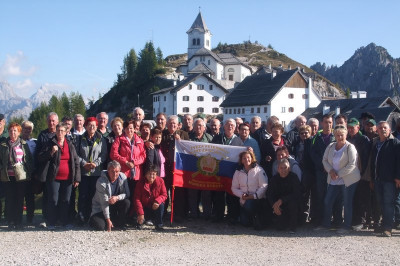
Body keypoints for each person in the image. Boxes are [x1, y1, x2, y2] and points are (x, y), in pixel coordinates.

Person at [318, 125, 360, 234]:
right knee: (328, 201)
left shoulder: (350, 147)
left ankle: (346, 226)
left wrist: (339, 174)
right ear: (335, 136)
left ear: (346, 135)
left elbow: (352, 164)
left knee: (347, 202)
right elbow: (324, 160)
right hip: (333, 179)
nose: (340, 137)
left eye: (342, 135)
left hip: (348, 179)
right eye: (337, 135)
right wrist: (331, 171)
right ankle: (326, 224)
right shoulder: (331, 146)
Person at [39, 123, 80, 230]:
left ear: (66, 132)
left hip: (68, 178)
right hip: (53, 177)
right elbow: (41, 158)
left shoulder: (70, 144)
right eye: (58, 131)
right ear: (55, 131)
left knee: (66, 200)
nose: (60, 133)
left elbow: (76, 162)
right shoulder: (50, 143)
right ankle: (52, 222)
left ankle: (65, 222)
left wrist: (77, 178)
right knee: (53, 200)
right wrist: (51, 152)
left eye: (62, 131)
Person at [0, 122, 34, 230]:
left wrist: (29, 172)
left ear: (19, 132)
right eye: (10, 130)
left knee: (19, 199)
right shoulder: (3, 145)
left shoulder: (23, 144)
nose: (12, 132)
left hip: (21, 176)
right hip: (8, 176)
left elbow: (28, 160)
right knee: (10, 199)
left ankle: (18, 221)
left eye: (15, 130)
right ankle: (10, 221)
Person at [76, 117, 108, 224]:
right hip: (84, 173)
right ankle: (81, 217)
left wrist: (95, 163)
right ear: (85, 126)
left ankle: (91, 217)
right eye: (89, 125)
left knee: (93, 196)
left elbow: (103, 155)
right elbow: (76, 155)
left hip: (96, 173)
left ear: (97, 126)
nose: (92, 127)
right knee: (83, 196)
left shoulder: (101, 139)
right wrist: (84, 164)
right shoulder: (80, 139)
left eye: (94, 125)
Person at [370, 121, 400, 237]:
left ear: (390, 130)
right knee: (381, 203)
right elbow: (373, 163)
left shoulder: (395, 143)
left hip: (390, 180)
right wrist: (372, 178)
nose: (383, 130)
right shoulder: (376, 143)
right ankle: (385, 225)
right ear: (377, 130)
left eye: (385, 128)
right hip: (378, 179)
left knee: (389, 203)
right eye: (380, 128)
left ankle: (388, 228)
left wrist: (398, 177)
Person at [309, 114, 339, 227]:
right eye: (326, 122)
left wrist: (331, 167)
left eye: (330, 122)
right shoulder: (317, 137)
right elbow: (313, 154)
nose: (328, 124)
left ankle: (335, 220)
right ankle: (321, 219)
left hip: (334, 172)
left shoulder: (335, 137)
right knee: (320, 196)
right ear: (322, 123)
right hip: (321, 172)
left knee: (334, 196)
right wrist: (323, 166)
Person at [211, 119, 244, 223]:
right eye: (228, 125)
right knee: (218, 194)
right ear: (224, 126)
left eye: (232, 125)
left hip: (232, 172)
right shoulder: (217, 138)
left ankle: (232, 215)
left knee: (232, 194)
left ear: (235, 128)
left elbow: (242, 156)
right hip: (219, 171)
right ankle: (218, 215)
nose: (230, 127)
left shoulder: (238, 141)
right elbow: (211, 151)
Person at [160, 115, 189, 222]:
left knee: (178, 192)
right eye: (170, 123)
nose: (172, 125)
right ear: (167, 124)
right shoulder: (163, 134)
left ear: (178, 125)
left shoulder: (184, 134)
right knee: (164, 191)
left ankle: (177, 214)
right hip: (165, 167)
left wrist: (180, 141)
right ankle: (163, 213)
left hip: (178, 168)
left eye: (174, 123)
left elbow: (188, 149)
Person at [89, 160, 130, 232]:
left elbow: (127, 194)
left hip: (113, 205)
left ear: (120, 171)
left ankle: (120, 224)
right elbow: (104, 203)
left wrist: (117, 197)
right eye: (112, 171)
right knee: (100, 226)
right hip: (100, 208)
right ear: (108, 171)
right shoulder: (101, 182)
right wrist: (108, 220)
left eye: (117, 171)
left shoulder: (123, 177)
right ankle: (98, 220)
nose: (115, 174)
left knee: (127, 202)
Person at [231, 151, 268, 229]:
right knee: (245, 223)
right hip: (243, 200)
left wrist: (253, 196)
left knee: (249, 204)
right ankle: (251, 218)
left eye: (248, 157)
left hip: (257, 199)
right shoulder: (238, 172)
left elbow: (264, 186)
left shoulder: (259, 170)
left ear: (252, 158)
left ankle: (257, 217)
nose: (246, 160)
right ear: (241, 160)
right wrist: (241, 195)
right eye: (244, 158)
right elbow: (234, 188)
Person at [346, 118, 372, 231]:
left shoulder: (363, 139)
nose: (351, 129)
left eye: (353, 127)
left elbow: (365, 159)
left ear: (358, 127)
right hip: (349, 175)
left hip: (360, 174)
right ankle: (353, 219)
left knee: (361, 199)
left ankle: (361, 221)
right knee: (352, 198)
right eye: (349, 127)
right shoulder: (347, 139)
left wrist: (361, 173)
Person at [36, 112, 59, 228]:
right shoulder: (42, 135)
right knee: (47, 196)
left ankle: (56, 218)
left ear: (57, 122)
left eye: (53, 121)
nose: (51, 123)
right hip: (45, 171)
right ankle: (45, 218)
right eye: (49, 121)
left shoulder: (61, 134)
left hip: (59, 171)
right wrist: (50, 152)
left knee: (56, 196)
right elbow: (38, 155)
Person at [110, 119, 146, 196]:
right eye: (127, 128)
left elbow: (143, 156)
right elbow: (113, 154)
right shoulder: (119, 139)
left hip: (137, 174)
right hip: (124, 173)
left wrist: (134, 162)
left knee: (136, 196)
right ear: (124, 129)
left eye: (131, 128)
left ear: (134, 129)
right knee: (125, 195)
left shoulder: (139, 141)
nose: (129, 130)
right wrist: (125, 162)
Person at [267, 158, 302, 233]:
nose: (283, 170)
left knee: (293, 203)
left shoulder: (294, 177)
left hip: (291, 204)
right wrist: (274, 205)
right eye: (281, 168)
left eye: (285, 167)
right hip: (279, 206)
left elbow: (297, 193)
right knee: (280, 227)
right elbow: (269, 194)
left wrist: (282, 200)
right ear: (278, 169)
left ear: (289, 168)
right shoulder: (274, 179)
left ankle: (293, 227)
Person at [188, 118, 213, 219]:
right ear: (193, 127)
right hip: (192, 169)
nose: (198, 127)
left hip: (206, 170)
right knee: (192, 193)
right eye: (196, 125)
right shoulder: (188, 138)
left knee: (206, 193)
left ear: (204, 128)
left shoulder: (210, 138)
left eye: (200, 125)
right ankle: (194, 213)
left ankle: (206, 214)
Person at [134, 165, 167, 231]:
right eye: (149, 174)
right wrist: (141, 213)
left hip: (154, 206)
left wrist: (157, 201)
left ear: (156, 174)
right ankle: (140, 222)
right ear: (146, 174)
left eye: (153, 174)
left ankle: (159, 224)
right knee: (137, 210)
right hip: (144, 206)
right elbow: (136, 199)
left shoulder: (160, 181)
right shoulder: (140, 182)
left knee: (161, 205)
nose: (151, 176)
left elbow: (164, 195)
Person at [21, 121, 37, 224]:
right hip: (20, 174)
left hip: (32, 174)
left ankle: (30, 219)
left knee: (30, 198)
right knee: (18, 197)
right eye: (25, 128)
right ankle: (17, 218)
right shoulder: (17, 141)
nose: (27, 130)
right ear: (22, 129)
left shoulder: (35, 142)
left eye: (29, 128)